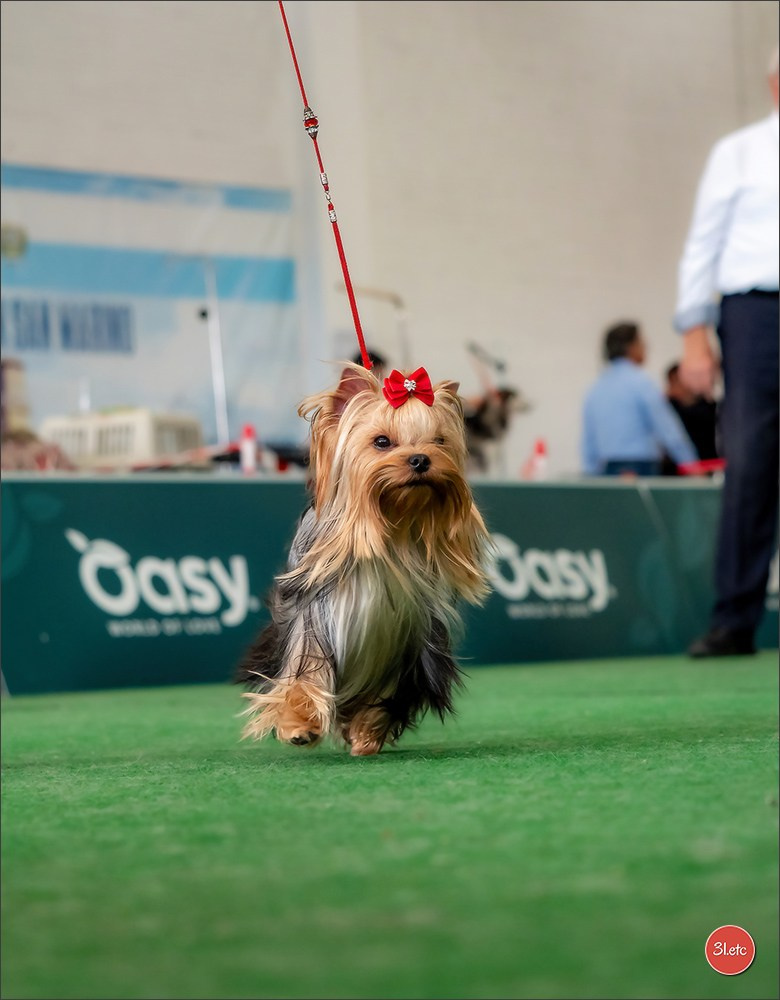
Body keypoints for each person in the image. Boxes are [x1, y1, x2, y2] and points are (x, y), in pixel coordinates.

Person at [673, 47, 779, 658]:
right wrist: (693, 331)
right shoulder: (737, 152)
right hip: (755, 314)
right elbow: (701, 245)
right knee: (752, 465)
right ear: (774, 85)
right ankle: (734, 618)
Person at [581, 321, 698, 477]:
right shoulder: (642, 384)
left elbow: (589, 443)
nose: (646, 347)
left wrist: (590, 476)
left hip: (606, 469)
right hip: (641, 468)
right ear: (631, 347)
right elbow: (668, 430)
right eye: (642, 342)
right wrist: (692, 466)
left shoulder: (596, 389)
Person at [660, 362, 719, 475]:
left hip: (708, 468)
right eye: (672, 382)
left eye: (678, 381)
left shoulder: (711, 409)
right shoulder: (667, 409)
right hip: (674, 472)